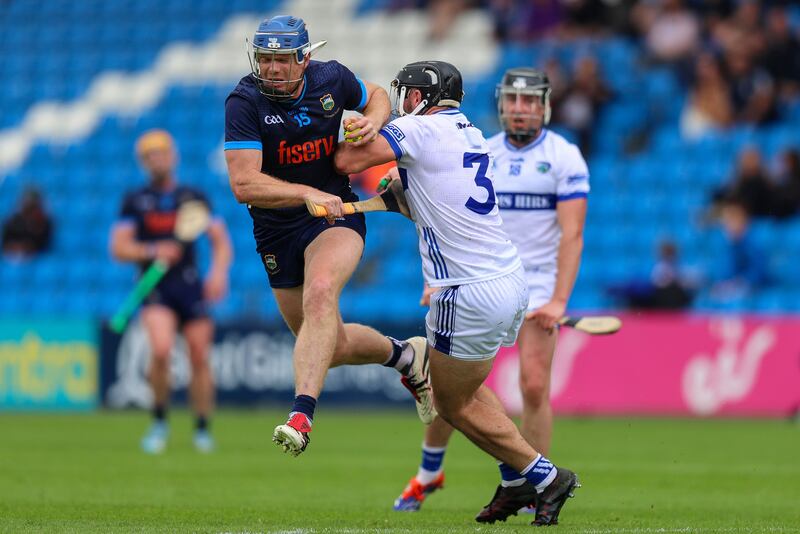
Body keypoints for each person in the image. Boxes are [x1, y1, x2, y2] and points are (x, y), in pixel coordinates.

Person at [334, 60, 580, 526]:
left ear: (421, 96)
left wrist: (363, 121)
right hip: (507, 280)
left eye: (405, 93)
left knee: (449, 402)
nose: (402, 101)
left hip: (465, 290)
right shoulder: (468, 132)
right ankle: (514, 482)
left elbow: (347, 161)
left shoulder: (418, 129)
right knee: (467, 389)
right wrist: (392, 193)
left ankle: (545, 476)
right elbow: (432, 201)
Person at [223, 15, 434, 456]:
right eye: (266, 59)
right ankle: (408, 356)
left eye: (282, 59)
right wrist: (304, 192)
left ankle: (301, 415)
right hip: (276, 232)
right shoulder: (243, 101)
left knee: (321, 294)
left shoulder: (331, 78)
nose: (273, 68)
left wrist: (375, 122)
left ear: (304, 58)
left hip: (336, 216)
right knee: (327, 345)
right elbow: (243, 184)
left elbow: (377, 96)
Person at [110, 129, 233, 454]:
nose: (157, 159)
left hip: (191, 285)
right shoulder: (134, 201)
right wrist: (153, 251)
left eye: (162, 153)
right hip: (156, 288)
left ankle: (203, 428)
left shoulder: (193, 197)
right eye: (150, 155)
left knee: (198, 356)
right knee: (161, 351)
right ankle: (160, 421)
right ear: (143, 162)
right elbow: (120, 248)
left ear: (173, 156)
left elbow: (219, 240)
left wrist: (219, 273)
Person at [1, 186, 52, 259]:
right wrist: (15, 246)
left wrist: (29, 247)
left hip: (37, 258)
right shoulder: (13, 220)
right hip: (12, 257)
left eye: (32, 205)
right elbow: (5, 241)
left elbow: (45, 244)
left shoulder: (44, 221)